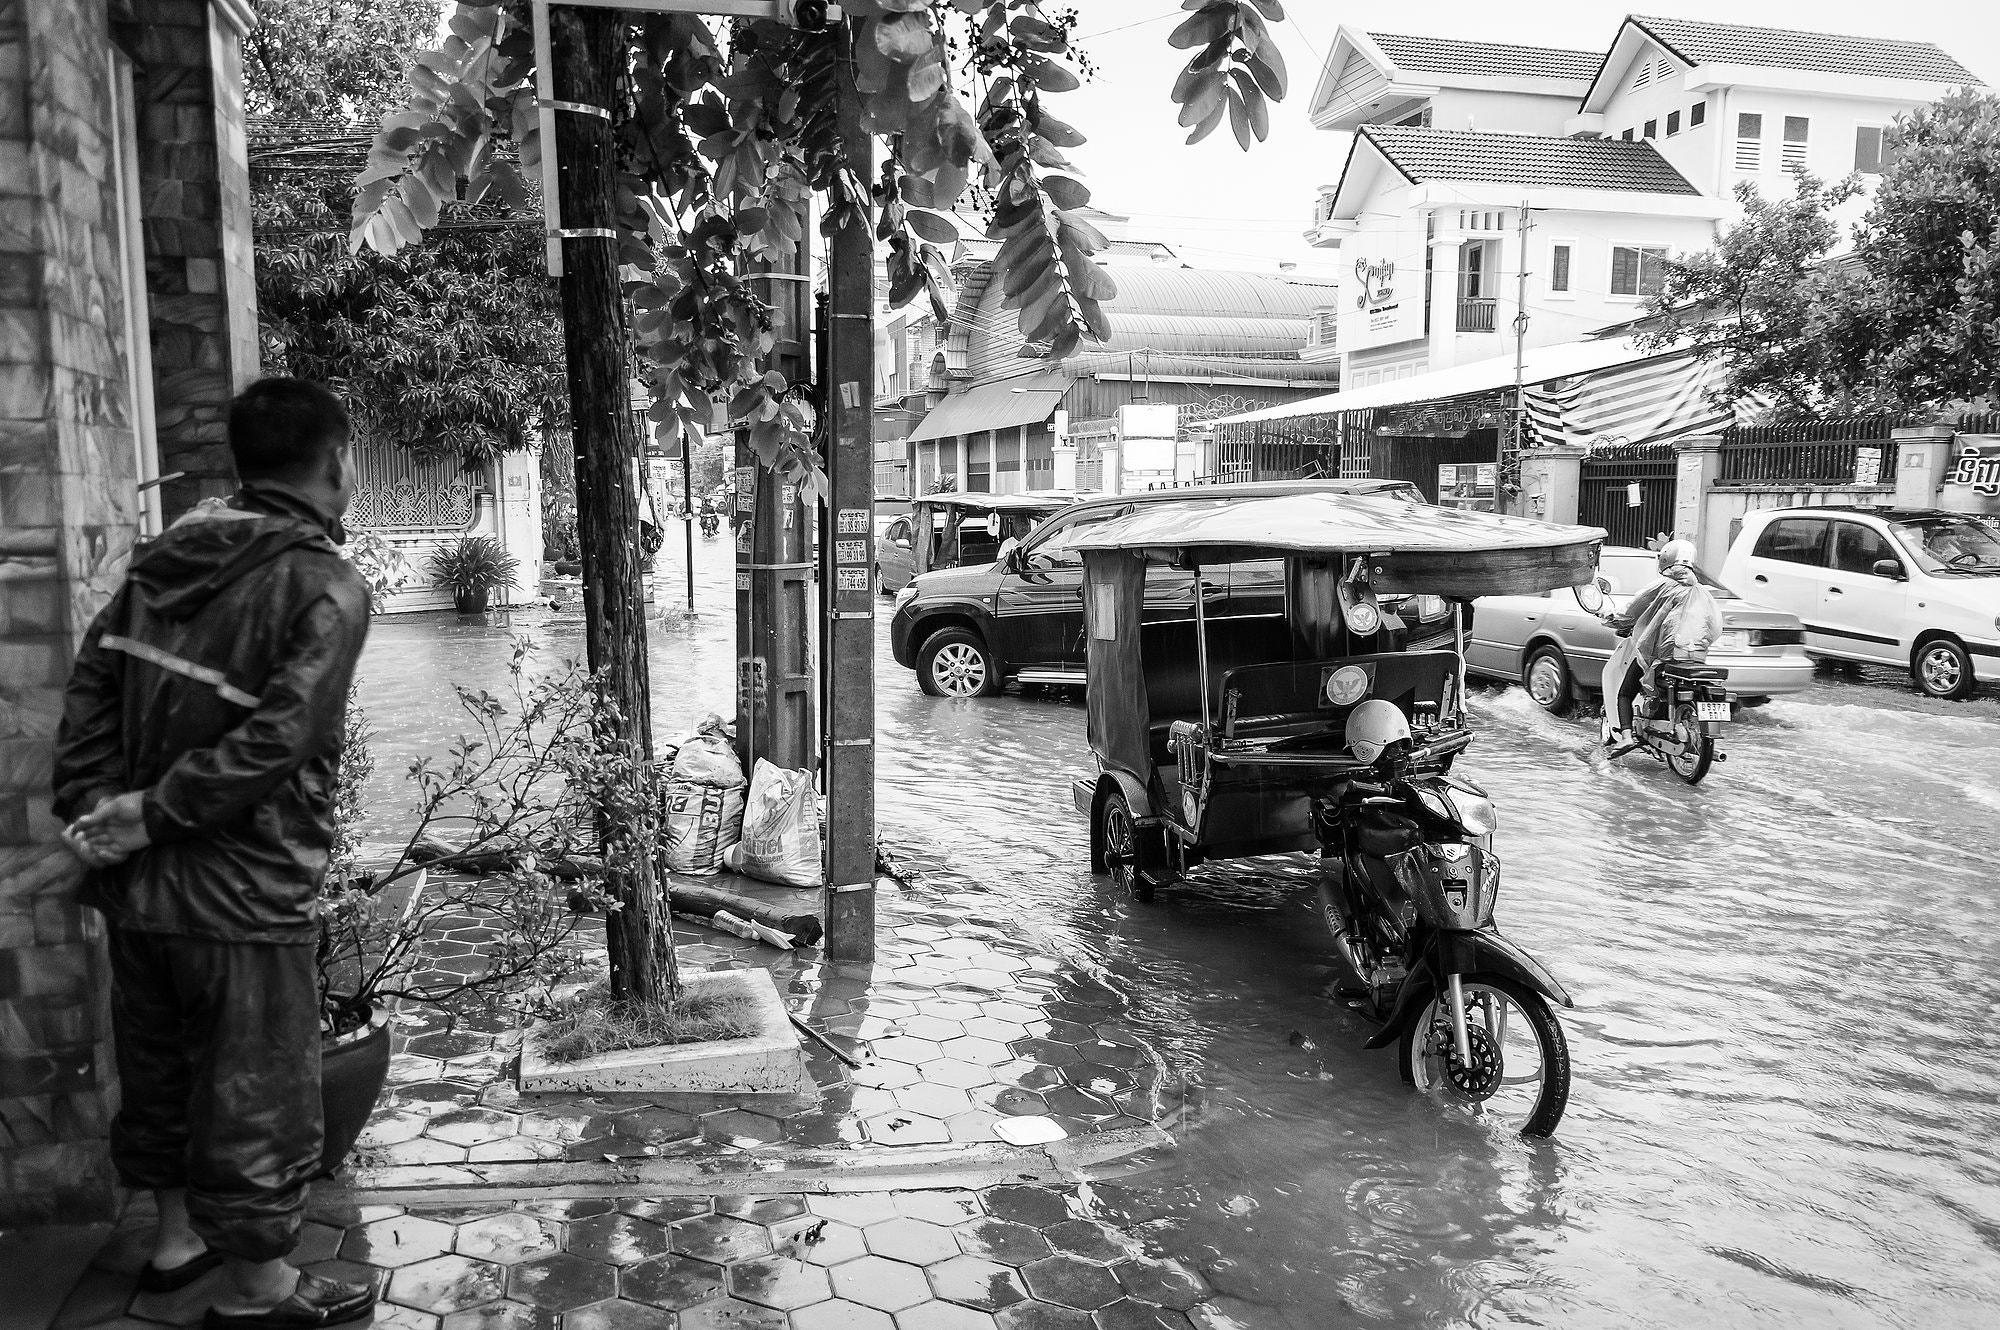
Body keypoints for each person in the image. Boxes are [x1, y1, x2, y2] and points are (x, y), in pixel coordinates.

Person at [53, 379, 376, 1328]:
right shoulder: (325, 584)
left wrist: (101, 814)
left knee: (157, 1063)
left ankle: (173, 1241)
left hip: (140, 890)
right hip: (247, 892)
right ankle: (257, 1290)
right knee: (256, 1086)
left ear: (239, 463)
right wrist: (151, 814)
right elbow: (281, 739)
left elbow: (87, 696)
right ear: (338, 461)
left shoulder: (160, 564)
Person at [1600, 539, 1723, 757]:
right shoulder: (1702, 591)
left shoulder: (1664, 584)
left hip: (1664, 656)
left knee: (1626, 692)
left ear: (1665, 559)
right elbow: (1714, 627)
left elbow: (1633, 608)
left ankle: (1627, 736)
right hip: (1696, 657)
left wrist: (1611, 618)